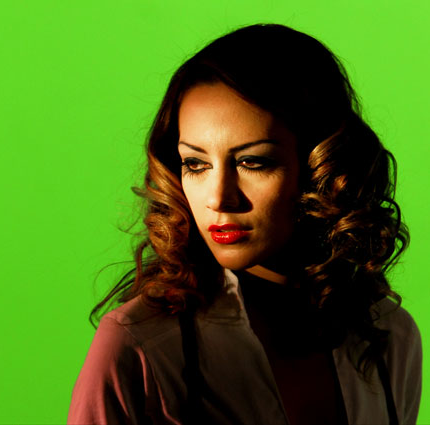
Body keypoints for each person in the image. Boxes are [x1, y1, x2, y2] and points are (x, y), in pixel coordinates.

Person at [68, 23, 422, 425]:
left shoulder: (388, 336)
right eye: (195, 164)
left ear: (323, 168)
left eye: (253, 162)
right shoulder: (140, 346)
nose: (219, 198)